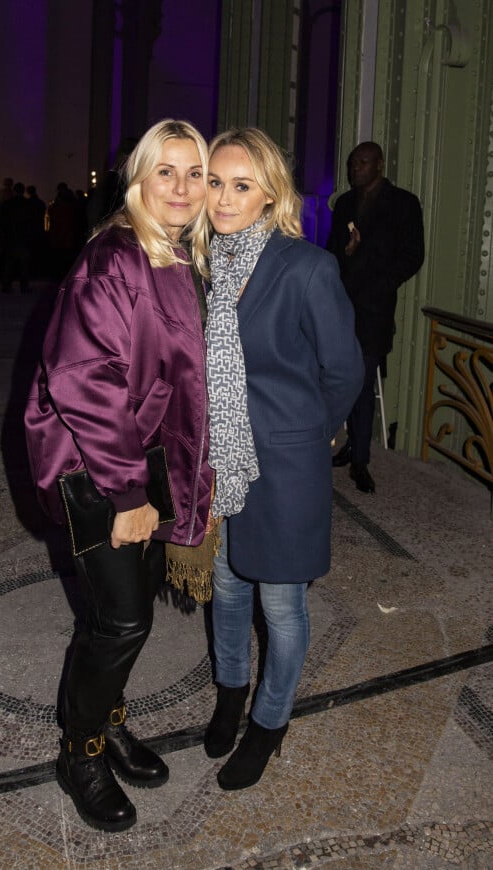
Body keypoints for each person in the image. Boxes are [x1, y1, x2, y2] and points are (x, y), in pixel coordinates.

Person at [24, 119, 212, 831]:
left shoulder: (174, 253)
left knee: (125, 618)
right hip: (96, 462)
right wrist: (129, 493)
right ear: (137, 179)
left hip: (142, 456)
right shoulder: (116, 258)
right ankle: (80, 752)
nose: (183, 186)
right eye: (165, 171)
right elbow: (81, 379)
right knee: (121, 618)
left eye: (194, 172)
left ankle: (109, 720)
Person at [202, 128, 363, 790]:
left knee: (281, 602)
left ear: (270, 193)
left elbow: (345, 370)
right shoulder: (206, 263)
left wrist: (306, 433)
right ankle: (230, 694)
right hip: (221, 459)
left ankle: (269, 724)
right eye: (215, 182)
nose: (223, 198)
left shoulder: (307, 268)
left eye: (241, 185)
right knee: (228, 586)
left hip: (287, 465)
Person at [326, 141, 424, 493]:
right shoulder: (345, 204)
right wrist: (346, 258)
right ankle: (345, 445)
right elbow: (332, 252)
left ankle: (361, 462)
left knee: (364, 383)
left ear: (379, 165)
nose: (355, 169)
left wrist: (381, 283)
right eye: (353, 163)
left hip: (374, 308)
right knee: (337, 377)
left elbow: (413, 255)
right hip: (340, 306)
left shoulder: (403, 204)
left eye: (363, 162)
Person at [0, 181, 32, 293]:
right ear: (23, 191)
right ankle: (24, 286)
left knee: (9, 264)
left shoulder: (7, 204)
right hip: (23, 239)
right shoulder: (28, 204)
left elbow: (2, 221)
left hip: (11, 238)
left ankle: (7, 285)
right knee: (24, 265)